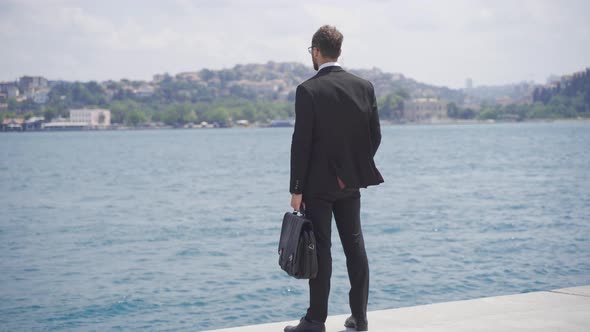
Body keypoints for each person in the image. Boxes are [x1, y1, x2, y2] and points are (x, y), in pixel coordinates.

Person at [286, 25, 384, 332]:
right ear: (339, 51)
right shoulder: (363, 86)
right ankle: (360, 318)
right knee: (355, 248)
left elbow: (301, 144)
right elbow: (374, 136)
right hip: (350, 184)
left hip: (317, 187)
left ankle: (316, 320)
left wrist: (297, 189)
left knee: (322, 250)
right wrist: (352, 168)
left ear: (316, 51)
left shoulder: (308, 90)